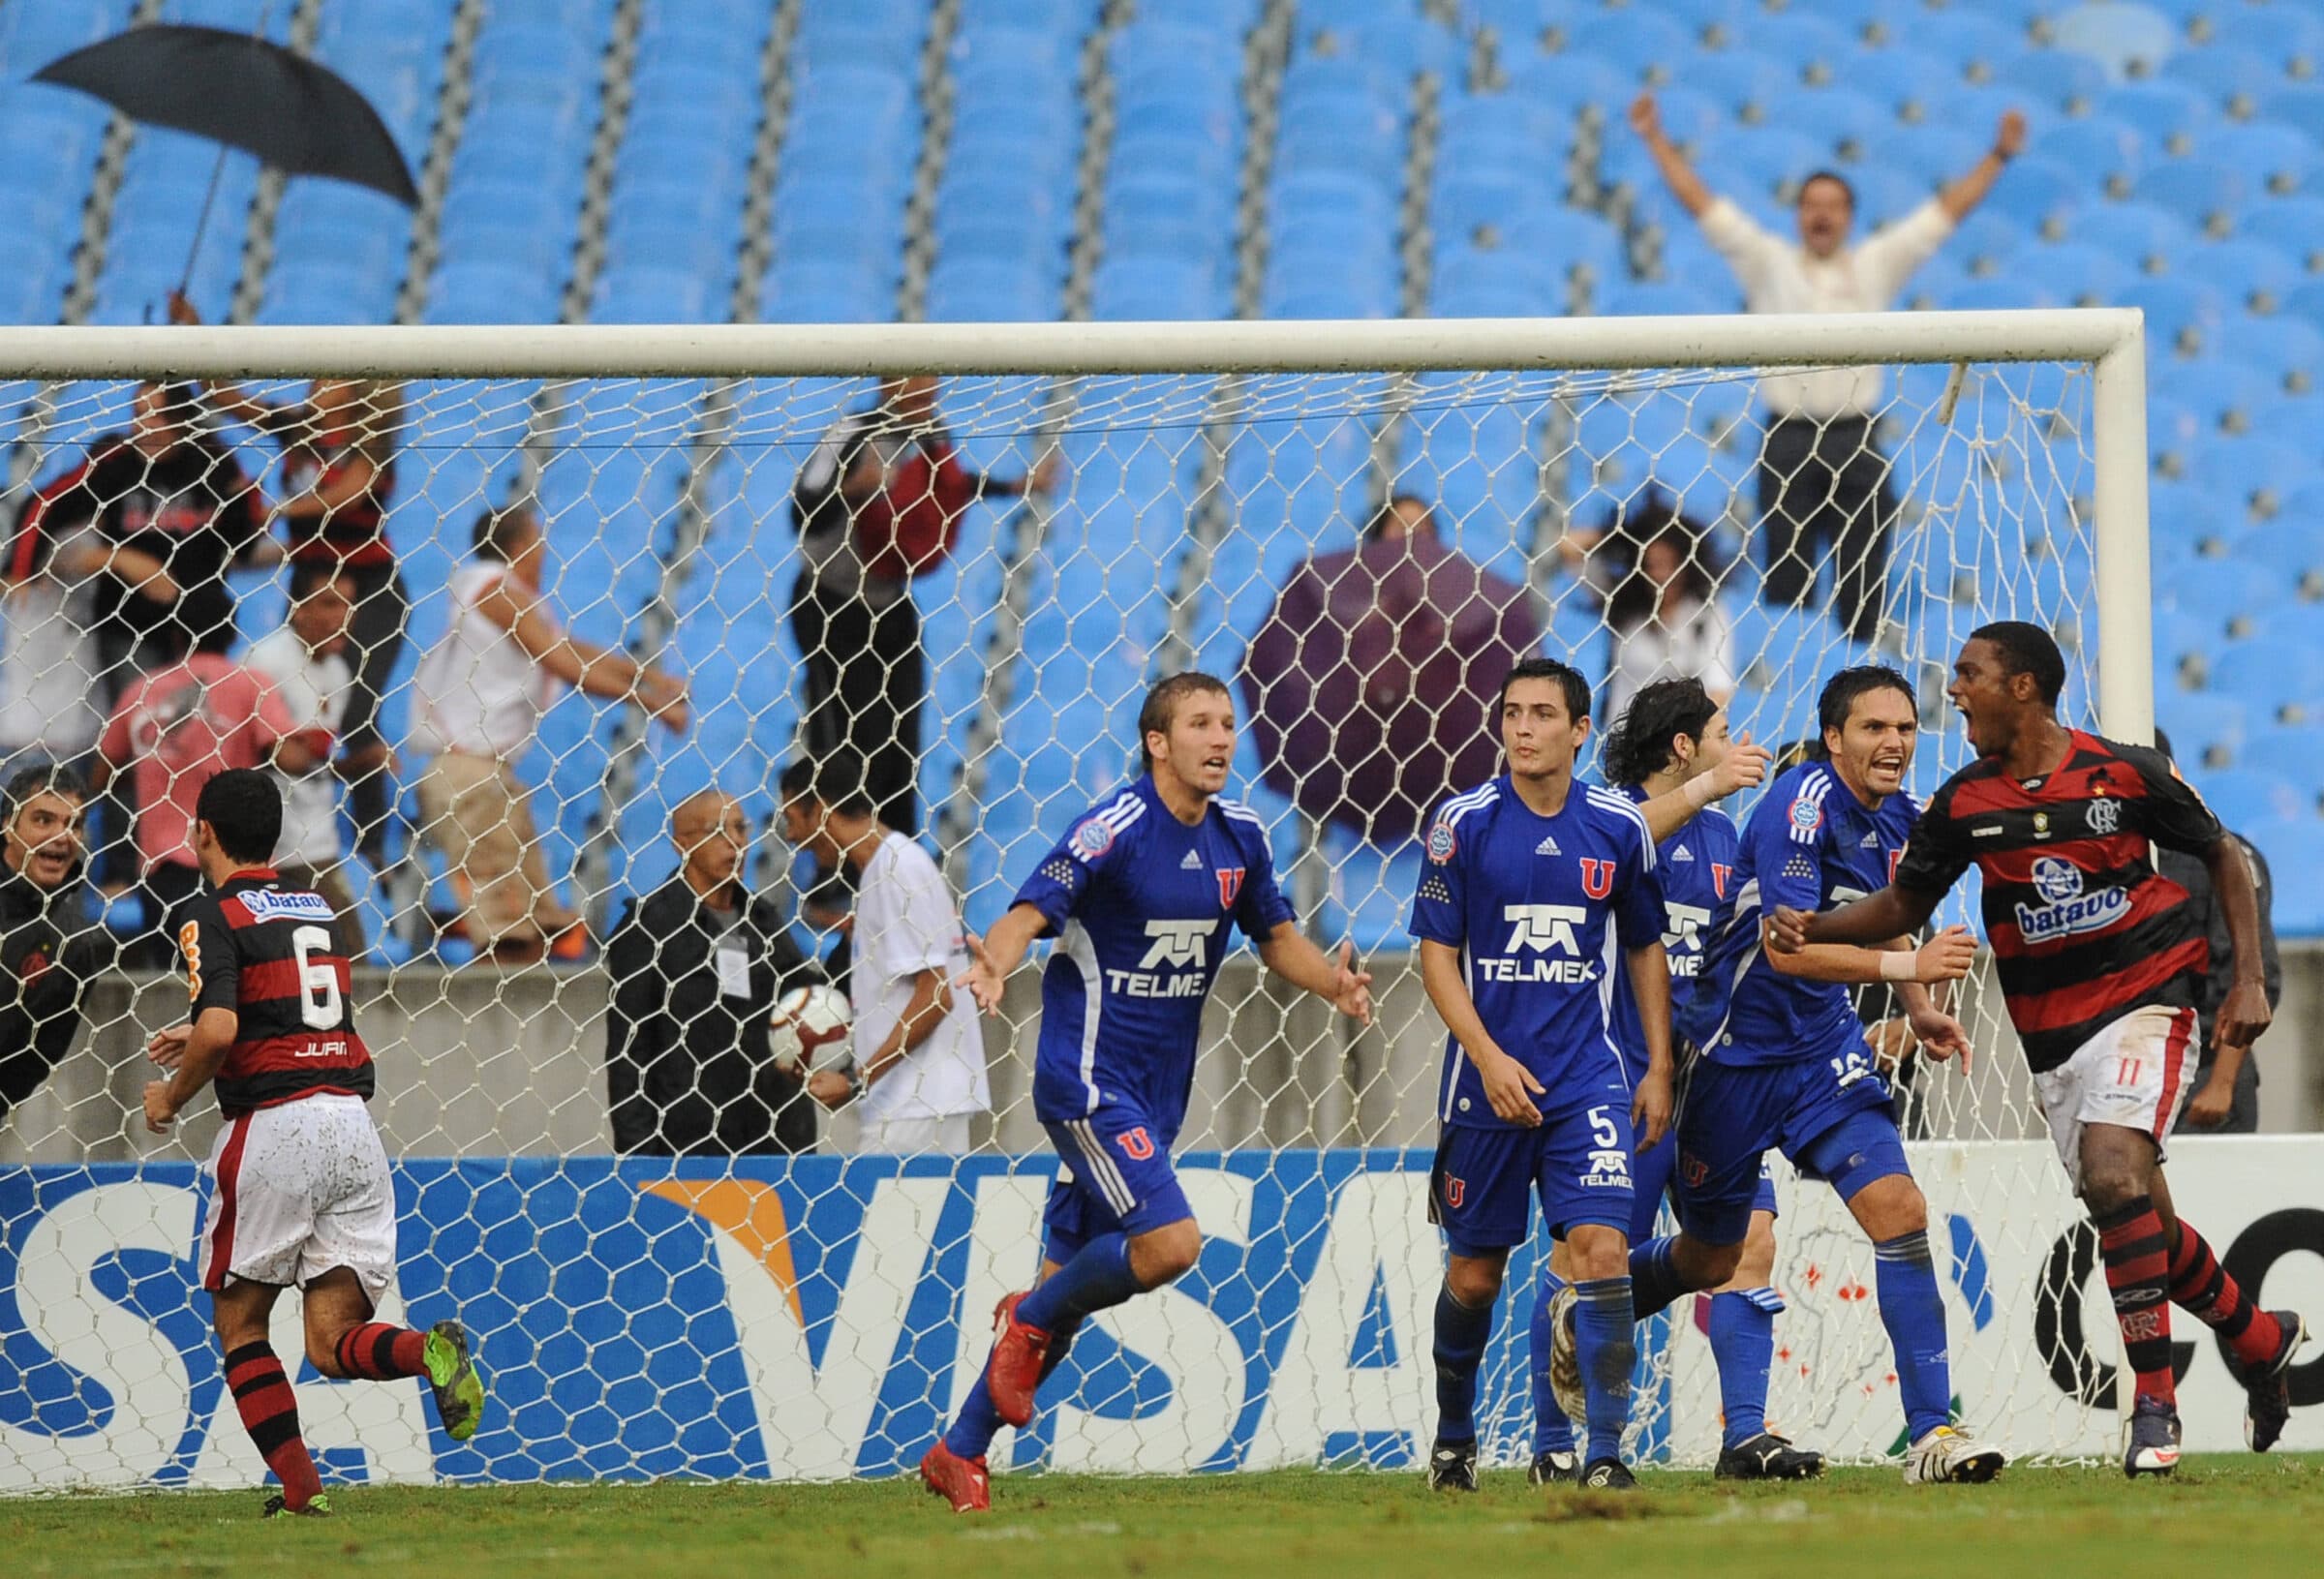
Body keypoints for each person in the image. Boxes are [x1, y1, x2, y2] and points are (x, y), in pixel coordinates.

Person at [1770, 623, 2309, 1475]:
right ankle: (2259, 1336)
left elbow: (2223, 854)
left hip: (2148, 1001)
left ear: (2021, 687)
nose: (1953, 693)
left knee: (2111, 1172)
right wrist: (1814, 924)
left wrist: (2246, 979)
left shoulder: (2128, 771)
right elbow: (1898, 908)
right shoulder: (1963, 802)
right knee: (2139, 1216)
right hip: (2051, 1037)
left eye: (1969, 676)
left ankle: (2154, 1409)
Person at [918, 672, 1374, 1513]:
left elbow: (1276, 936)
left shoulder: (1240, 834)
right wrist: (997, 959)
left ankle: (959, 1449)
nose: (1221, 738)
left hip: (1158, 1092)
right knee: (1169, 1243)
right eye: (1200, 723)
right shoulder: (1116, 827)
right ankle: (1023, 1316)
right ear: (1158, 742)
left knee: (1068, 1305)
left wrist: (1332, 986)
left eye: (1229, 723)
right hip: (1087, 1078)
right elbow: (1033, 904)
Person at [1561, 664, 2004, 1485]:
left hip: (1822, 1053)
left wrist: (1920, 1005)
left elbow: (1891, 907)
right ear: (1834, 737)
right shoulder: (1797, 808)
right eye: (1874, 728)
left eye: (1905, 728)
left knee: (1900, 1209)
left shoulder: (1902, 819)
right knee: (1712, 1255)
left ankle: (1930, 1433)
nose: (1895, 743)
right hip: (1729, 1060)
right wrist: (1906, 962)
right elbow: (1783, 948)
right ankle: (1597, 1306)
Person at [139, 770, 483, 1518]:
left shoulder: (210, 910)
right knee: (333, 1341)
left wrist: (170, 1096)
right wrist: (196, 1030)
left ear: (203, 833)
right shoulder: (316, 905)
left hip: (275, 1125)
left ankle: (301, 1487)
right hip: (351, 1125)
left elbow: (227, 1027)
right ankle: (428, 1348)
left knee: (242, 1325)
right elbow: (288, 1009)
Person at [1534, 678, 1823, 1482]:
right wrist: (1706, 789)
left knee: (1744, 1244)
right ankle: (1559, 1446)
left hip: (1716, 1079)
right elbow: (1618, 847)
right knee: (1585, 1255)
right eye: (1724, 731)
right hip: (1617, 1074)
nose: (1738, 744)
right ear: (1684, 746)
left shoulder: (1726, 838)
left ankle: (1744, 1436)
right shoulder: (1602, 816)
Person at [1409, 658, 1674, 1494]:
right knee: (1475, 1276)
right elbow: (1435, 953)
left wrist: (1658, 1063)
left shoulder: (1618, 827)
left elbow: (1643, 943)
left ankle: (1604, 1453)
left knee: (1603, 1249)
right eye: (1512, 713)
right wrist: (1487, 1057)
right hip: (1485, 1084)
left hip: (1586, 1080)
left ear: (1579, 731)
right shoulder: (1464, 823)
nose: (1523, 728)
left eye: (1542, 714)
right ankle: (1455, 1437)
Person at [1627, 95, 2027, 644]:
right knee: (1786, 587)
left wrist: (1999, 156)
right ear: (1798, 215)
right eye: (1812, 203)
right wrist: (1654, 138)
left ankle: (1856, 678)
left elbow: (1942, 217)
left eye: (1834, 204)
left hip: (1854, 438)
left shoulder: (1874, 265)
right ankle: (1786, 694)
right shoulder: (1768, 263)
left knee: (1863, 584)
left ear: (1849, 217)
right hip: (1788, 440)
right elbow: (1704, 206)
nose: (1822, 213)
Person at [169, 291, 407, 866]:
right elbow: (227, 398)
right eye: (314, 380)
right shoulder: (296, 428)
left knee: (354, 707)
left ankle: (375, 841)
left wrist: (272, 511)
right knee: (285, 711)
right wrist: (196, 335)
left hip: (366, 588)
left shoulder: (370, 447)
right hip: (308, 585)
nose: (315, 389)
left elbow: (341, 495)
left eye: (329, 381)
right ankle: (278, 827)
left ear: (358, 391)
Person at [410, 505, 688, 963]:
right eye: (538, 541)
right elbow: (561, 661)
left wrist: (651, 679)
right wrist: (651, 703)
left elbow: (566, 648)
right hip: (468, 775)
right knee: (506, 931)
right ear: (520, 545)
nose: (544, 553)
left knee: (536, 923)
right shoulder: (491, 585)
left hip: (489, 777)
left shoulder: (511, 599)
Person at [789, 375, 1052, 835]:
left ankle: (896, 853)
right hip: (831, 606)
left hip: (889, 604)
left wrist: (1014, 486)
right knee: (845, 739)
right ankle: (837, 873)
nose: (929, 395)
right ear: (890, 383)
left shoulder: (933, 431)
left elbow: (946, 487)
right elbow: (801, 510)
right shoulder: (853, 432)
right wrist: (855, 489)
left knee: (900, 734)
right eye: (918, 384)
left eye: (933, 385)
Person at [777, 752, 989, 1154]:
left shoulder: (896, 869)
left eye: (792, 818)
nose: (790, 834)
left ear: (820, 810)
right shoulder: (888, 867)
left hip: (916, 1104)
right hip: (915, 1101)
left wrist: (858, 1078)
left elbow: (936, 995)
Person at [14, 380, 274, 693]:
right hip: (129, 622)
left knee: (199, 727)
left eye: (158, 416)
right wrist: (20, 570)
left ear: (182, 418)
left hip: (202, 624)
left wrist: (252, 514)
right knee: (142, 724)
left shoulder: (213, 460)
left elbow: (241, 537)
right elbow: (45, 503)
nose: (145, 427)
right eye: (139, 415)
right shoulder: (116, 460)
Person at [603, 791, 826, 1156]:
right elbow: (629, 1054)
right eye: (718, 830)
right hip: (691, 1149)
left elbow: (808, 998)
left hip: (776, 1141)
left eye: (740, 828)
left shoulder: (763, 921)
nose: (736, 841)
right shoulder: (649, 928)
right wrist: (639, 1162)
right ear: (682, 845)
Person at [94, 634, 310, 967]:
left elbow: (102, 774)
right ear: (231, 631)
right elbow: (292, 758)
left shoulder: (143, 689)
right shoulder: (251, 684)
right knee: (237, 982)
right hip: (235, 863)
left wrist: (154, 766)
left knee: (177, 983)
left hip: (163, 868)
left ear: (177, 633)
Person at [2152, 730, 2279, 1136]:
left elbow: (2252, 979)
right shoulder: (2099, 858)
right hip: (2126, 1073)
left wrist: (2221, 1084)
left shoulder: (2223, 857)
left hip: (2203, 1069)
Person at [244, 565, 367, 957]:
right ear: (298, 608)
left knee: (350, 956)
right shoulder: (266, 661)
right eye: (330, 603)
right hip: (268, 844)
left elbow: (314, 762)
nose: (342, 615)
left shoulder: (339, 672)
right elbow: (274, 755)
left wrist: (364, 762)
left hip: (315, 840)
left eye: (350, 604)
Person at [0, 766, 110, 1126]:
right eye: (43, 820)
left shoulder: (76, 945)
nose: (61, 836)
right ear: (8, 825)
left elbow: (39, 1056)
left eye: (73, 824)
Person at [1598, 502, 1734, 727]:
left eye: (1668, 565)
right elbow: (1569, 549)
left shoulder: (1707, 613)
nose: (1660, 576)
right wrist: (1617, 537)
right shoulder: (1624, 610)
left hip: (1680, 743)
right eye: (1652, 565)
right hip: (1622, 742)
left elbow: (1719, 686)